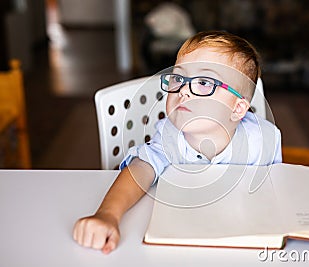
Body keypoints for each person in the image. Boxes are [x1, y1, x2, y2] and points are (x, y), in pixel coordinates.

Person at [73, 30, 282, 254]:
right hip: (180, 236)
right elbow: (141, 169)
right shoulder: (170, 135)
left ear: (237, 108)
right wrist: (107, 214)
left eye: (204, 82)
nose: (183, 90)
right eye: (178, 78)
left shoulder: (263, 141)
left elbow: (276, 194)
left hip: (239, 239)